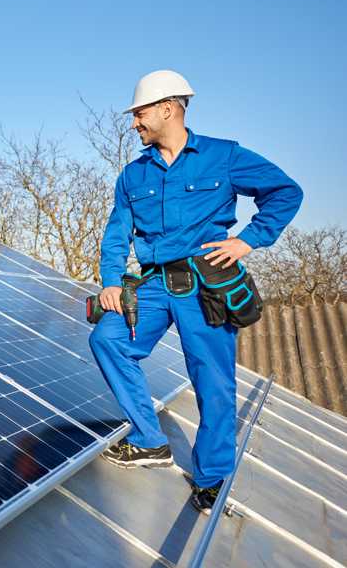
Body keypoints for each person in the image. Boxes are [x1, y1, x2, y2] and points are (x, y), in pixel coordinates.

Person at [88, 69, 303, 513]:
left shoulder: (223, 156)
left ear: (168, 108)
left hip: (205, 284)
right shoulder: (132, 175)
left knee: (213, 381)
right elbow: (116, 234)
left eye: (140, 114)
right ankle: (150, 441)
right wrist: (111, 281)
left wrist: (248, 239)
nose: (134, 124)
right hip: (151, 285)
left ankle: (211, 476)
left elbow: (286, 191)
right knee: (107, 339)